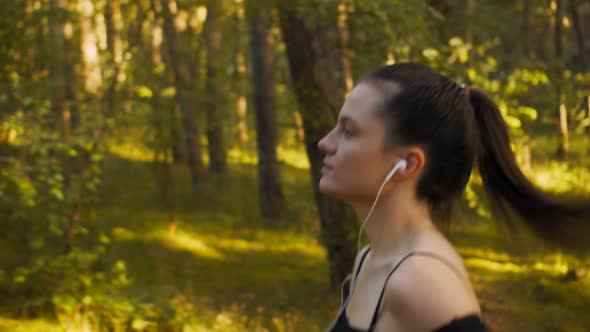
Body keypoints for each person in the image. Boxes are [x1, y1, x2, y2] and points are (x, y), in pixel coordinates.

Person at [318, 63, 590, 332]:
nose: (325, 143)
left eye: (349, 131)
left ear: (408, 164)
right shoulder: (370, 257)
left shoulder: (421, 281)